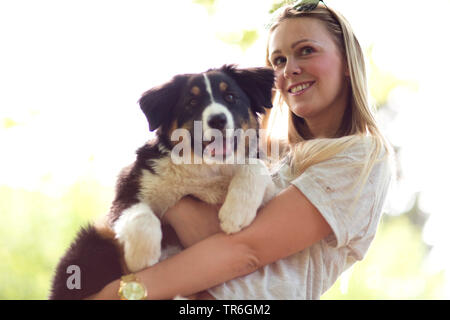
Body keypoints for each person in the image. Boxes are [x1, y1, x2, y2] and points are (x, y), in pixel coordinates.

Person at [89, 1, 393, 300]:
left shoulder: (360, 157)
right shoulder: (270, 158)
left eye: (306, 50)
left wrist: (120, 294)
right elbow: (208, 233)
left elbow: (244, 250)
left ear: (348, 63)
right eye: (279, 60)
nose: (289, 70)